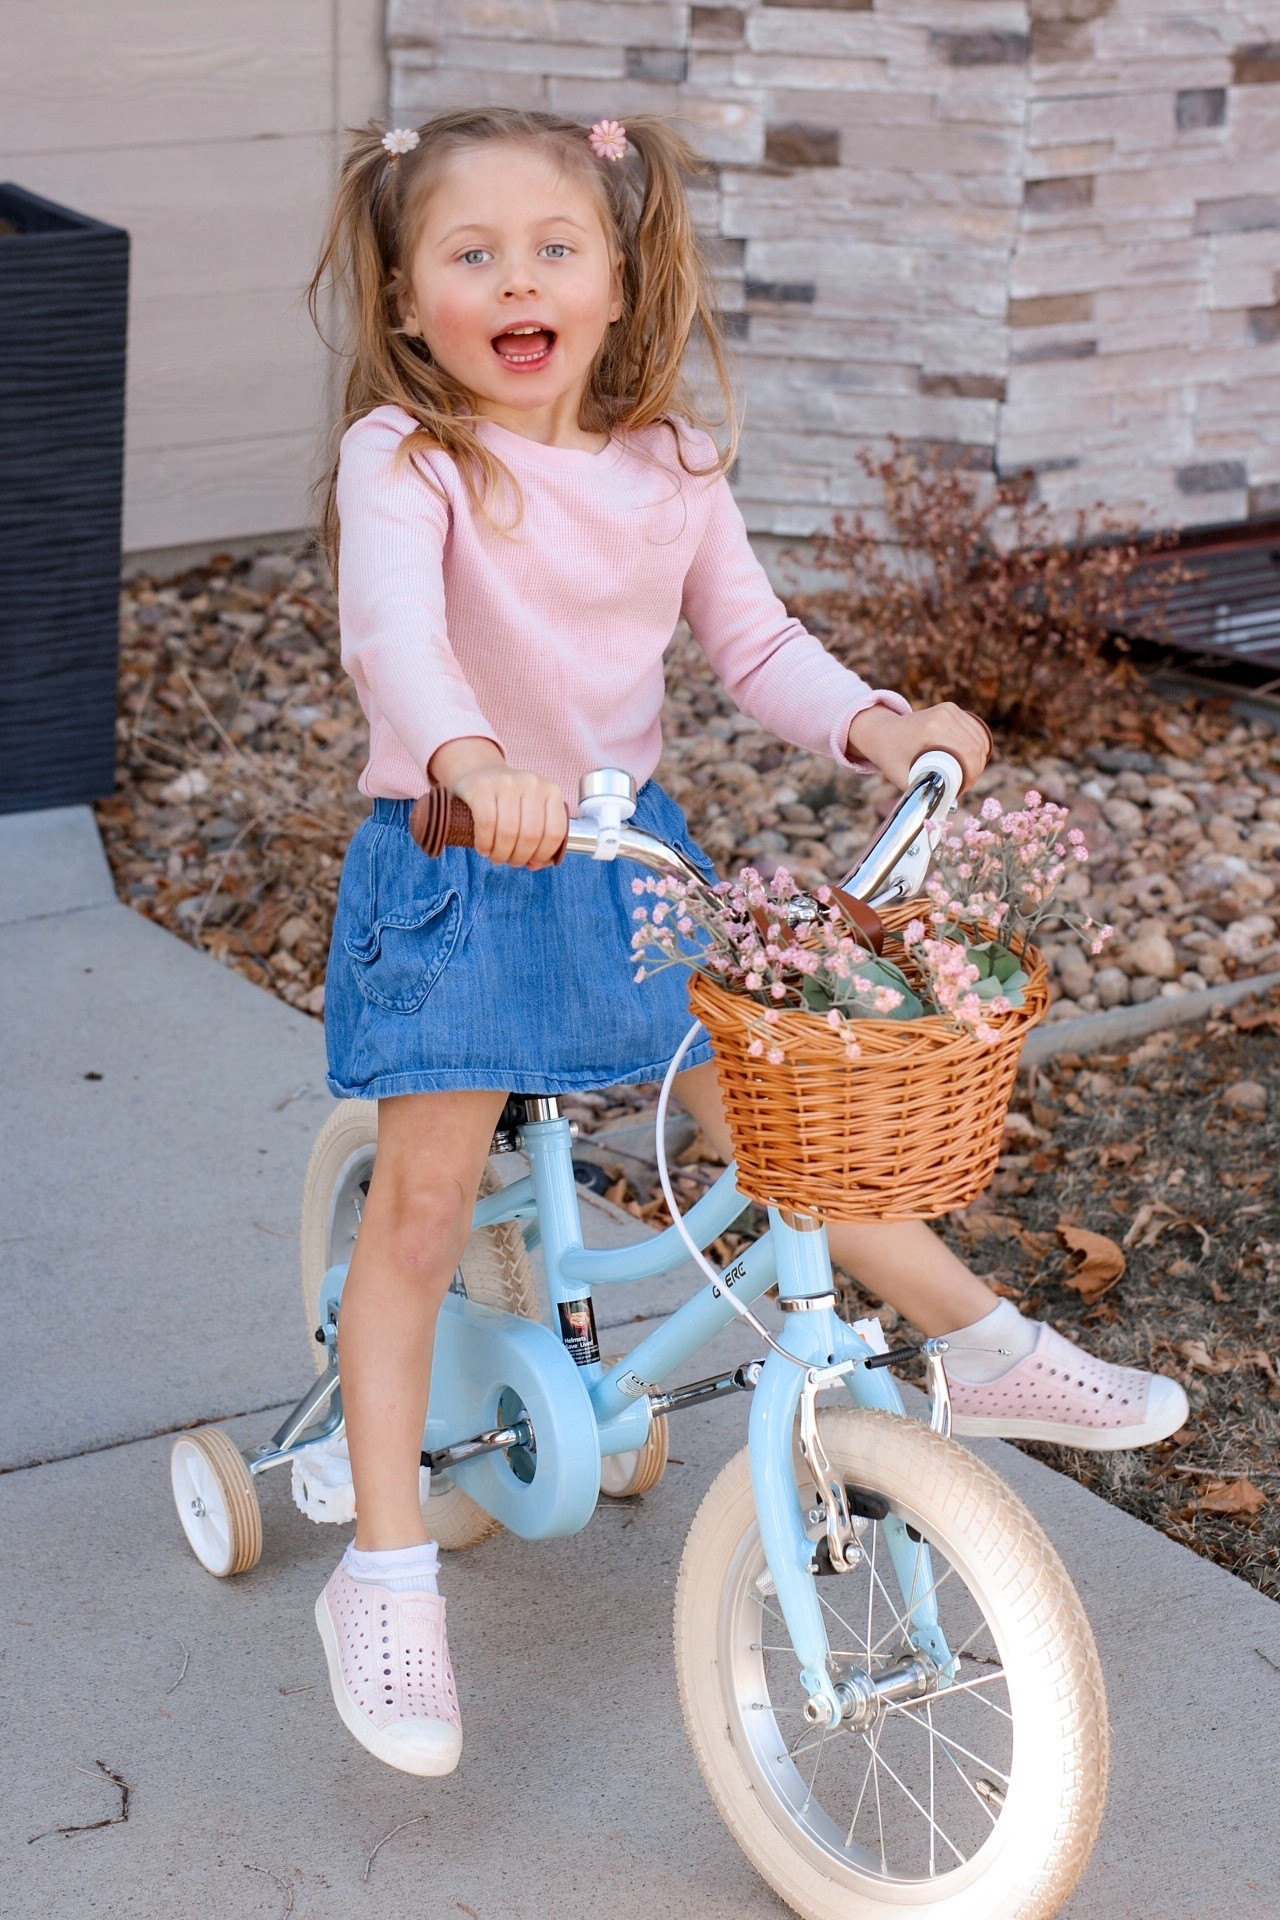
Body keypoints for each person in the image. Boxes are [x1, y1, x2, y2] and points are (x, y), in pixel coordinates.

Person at [307, 106, 1187, 1778]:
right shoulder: (407, 460)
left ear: (618, 276)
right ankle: (384, 1570)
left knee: (774, 1128)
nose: (517, 279)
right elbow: (396, 644)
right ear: (410, 299)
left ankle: (987, 1347)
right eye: (471, 252)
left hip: (631, 866)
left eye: (555, 247)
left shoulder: (670, 467)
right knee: (421, 1207)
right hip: (463, 858)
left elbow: (754, 641)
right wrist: (471, 760)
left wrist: (878, 723)